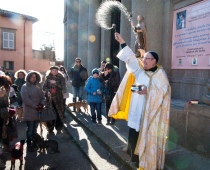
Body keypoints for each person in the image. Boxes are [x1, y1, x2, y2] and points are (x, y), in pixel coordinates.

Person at [112, 32, 171, 169]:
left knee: (142, 136)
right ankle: (134, 158)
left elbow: (164, 93)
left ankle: (143, 161)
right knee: (133, 134)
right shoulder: (140, 71)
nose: (143, 60)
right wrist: (122, 42)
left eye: (146, 59)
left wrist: (148, 91)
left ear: (154, 61)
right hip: (136, 110)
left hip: (148, 115)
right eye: (144, 58)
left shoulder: (160, 75)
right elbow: (131, 59)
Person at [20, 71, 45, 152]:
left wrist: (41, 104)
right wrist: (36, 106)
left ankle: (34, 143)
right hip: (29, 111)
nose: (33, 78)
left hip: (38, 111)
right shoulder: (25, 86)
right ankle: (29, 145)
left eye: (35, 77)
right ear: (28, 77)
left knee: (35, 129)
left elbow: (43, 96)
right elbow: (25, 99)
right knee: (30, 129)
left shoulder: (39, 86)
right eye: (32, 77)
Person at [43, 66, 66, 135]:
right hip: (49, 99)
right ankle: (50, 129)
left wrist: (56, 83)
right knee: (50, 113)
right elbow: (44, 87)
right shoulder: (47, 78)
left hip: (58, 98)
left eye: (56, 70)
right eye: (53, 70)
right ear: (51, 71)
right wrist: (48, 91)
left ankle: (59, 128)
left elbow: (63, 88)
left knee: (59, 113)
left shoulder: (61, 78)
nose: (54, 71)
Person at [0, 72, 12, 154]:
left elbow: (7, 99)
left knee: (5, 130)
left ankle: (6, 147)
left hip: (4, 112)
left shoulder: (5, 85)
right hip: (4, 112)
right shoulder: (6, 85)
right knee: (4, 130)